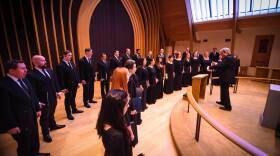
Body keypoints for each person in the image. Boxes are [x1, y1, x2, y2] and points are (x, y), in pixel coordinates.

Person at [0, 60, 50, 156]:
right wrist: (11, 125)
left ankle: (35, 153)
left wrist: (37, 108)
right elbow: (4, 109)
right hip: (19, 121)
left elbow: (32, 94)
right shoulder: (3, 86)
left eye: (25, 68)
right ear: (11, 71)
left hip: (31, 116)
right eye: (22, 68)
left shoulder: (24, 79)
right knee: (24, 144)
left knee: (34, 137)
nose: (26, 70)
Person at [27, 55, 65, 143]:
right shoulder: (31, 75)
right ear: (35, 62)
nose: (45, 62)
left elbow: (54, 82)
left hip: (52, 96)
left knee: (51, 112)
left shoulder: (49, 70)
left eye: (44, 60)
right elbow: (32, 90)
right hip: (43, 100)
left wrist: (58, 91)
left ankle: (52, 125)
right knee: (44, 117)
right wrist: (37, 102)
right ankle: (45, 133)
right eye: (42, 61)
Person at [96, 89, 132, 156]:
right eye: (127, 104)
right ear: (117, 109)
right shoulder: (116, 137)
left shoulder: (107, 119)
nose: (128, 106)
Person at [56, 50, 83, 120]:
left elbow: (75, 73)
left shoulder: (71, 63)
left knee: (73, 97)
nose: (70, 57)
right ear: (64, 56)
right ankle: (69, 113)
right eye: (69, 55)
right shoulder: (60, 65)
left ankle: (74, 109)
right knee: (68, 99)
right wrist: (63, 88)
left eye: (71, 55)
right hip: (67, 86)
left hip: (74, 84)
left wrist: (78, 82)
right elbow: (60, 78)